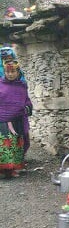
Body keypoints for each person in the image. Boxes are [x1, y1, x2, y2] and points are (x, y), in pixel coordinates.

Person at [0, 48, 32, 179]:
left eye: (13, 71)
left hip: (17, 119)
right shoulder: (0, 84)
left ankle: (13, 169)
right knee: (4, 144)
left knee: (17, 144)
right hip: (2, 120)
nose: (10, 74)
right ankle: (3, 170)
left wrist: (27, 108)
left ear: (18, 71)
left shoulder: (22, 85)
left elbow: (26, 101)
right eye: (7, 72)